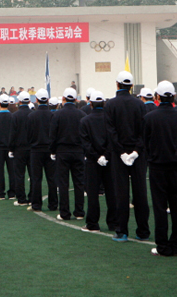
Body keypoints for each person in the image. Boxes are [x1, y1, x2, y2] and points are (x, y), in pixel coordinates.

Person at [105, 71, 149, 242]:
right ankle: (143, 231)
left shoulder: (110, 104)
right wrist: (136, 151)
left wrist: (122, 152)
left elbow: (111, 132)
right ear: (131, 86)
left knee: (121, 193)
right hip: (138, 154)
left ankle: (121, 231)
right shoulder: (140, 104)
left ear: (117, 84)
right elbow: (143, 131)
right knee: (140, 193)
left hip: (119, 154)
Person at [143, 81, 177, 256]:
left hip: (157, 167)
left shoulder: (149, 118)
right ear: (173, 96)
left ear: (157, 97)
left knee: (160, 207)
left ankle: (162, 245)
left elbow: (145, 143)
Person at [80, 90, 116, 232]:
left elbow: (86, 143)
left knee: (93, 194)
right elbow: (113, 140)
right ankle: (113, 223)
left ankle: (93, 224)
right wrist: (105, 155)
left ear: (91, 103)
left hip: (92, 162)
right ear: (103, 103)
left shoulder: (85, 121)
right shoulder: (110, 120)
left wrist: (96, 157)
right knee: (111, 193)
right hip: (109, 161)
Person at [50, 87, 86, 221]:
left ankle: (64, 213)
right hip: (78, 151)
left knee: (63, 183)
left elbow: (52, 135)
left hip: (62, 152)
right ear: (75, 99)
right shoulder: (82, 114)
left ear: (63, 98)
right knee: (79, 183)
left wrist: (52, 151)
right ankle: (79, 212)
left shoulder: (57, 115)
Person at [27, 89, 57, 212]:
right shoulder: (53, 115)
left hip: (36, 150)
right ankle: (53, 204)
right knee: (52, 179)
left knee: (36, 179)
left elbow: (29, 135)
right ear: (48, 100)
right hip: (50, 150)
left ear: (36, 100)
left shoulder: (31, 116)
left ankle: (36, 204)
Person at [10, 91, 33, 207]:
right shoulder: (33, 114)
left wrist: (11, 149)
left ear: (19, 101)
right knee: (33, 175)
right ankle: (32, 198)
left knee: (19, 175)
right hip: (32, 149)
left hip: (19, 149)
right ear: (29, 101)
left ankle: (21, 199)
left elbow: (12, 134)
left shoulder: (15, 115)